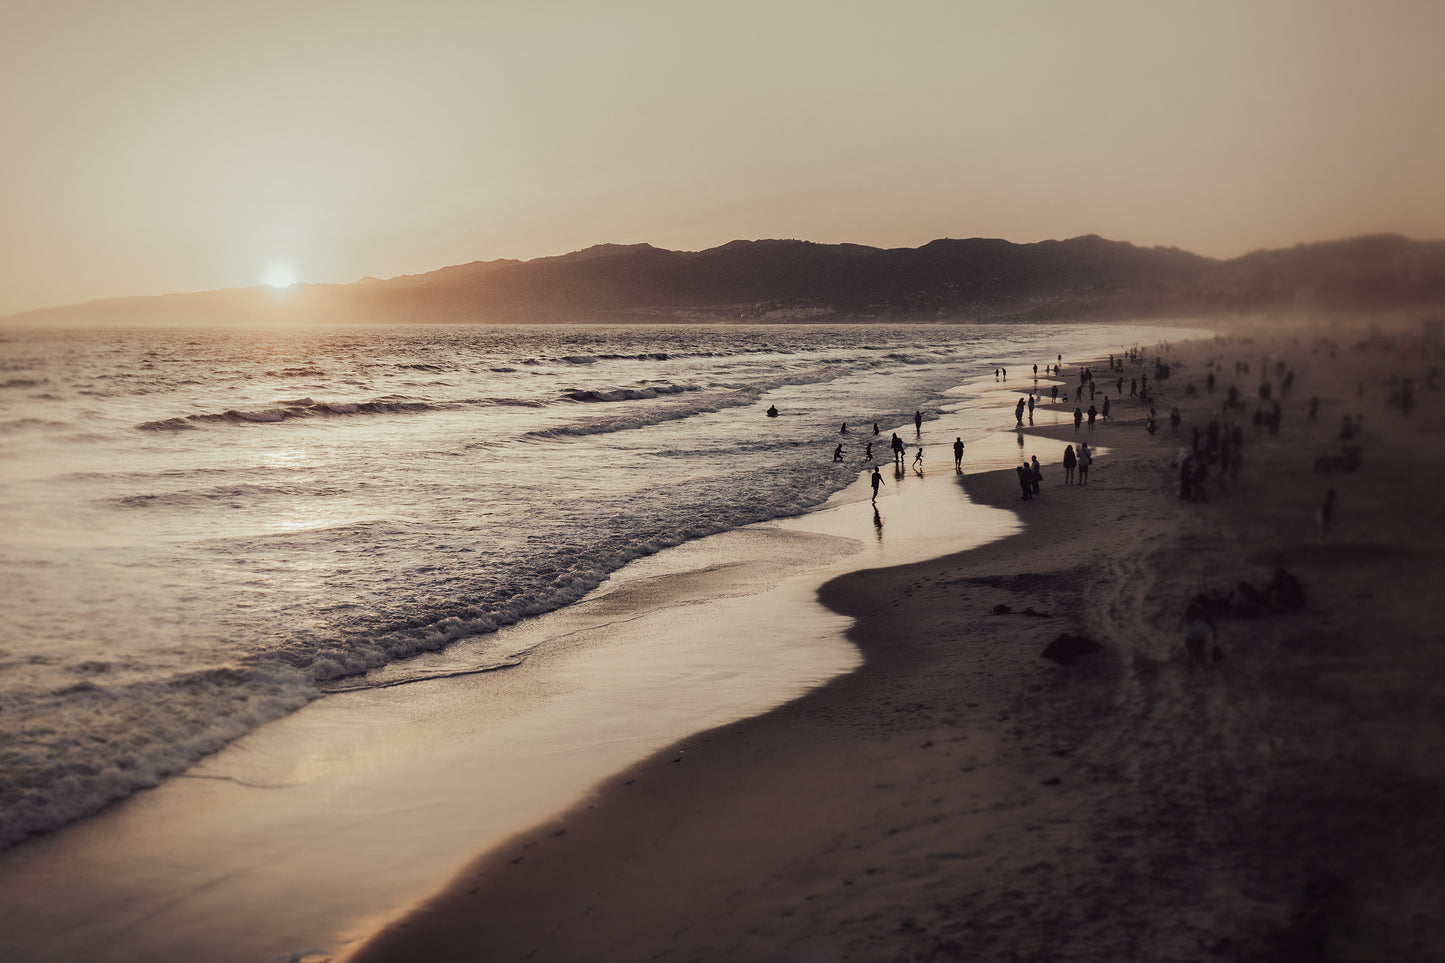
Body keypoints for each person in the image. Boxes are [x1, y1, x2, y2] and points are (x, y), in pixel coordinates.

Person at [1177, 598, 1218, 670]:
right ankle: (1205, 667)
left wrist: (1179, 627)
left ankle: (1190, 670)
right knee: (1201, 650)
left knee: (1190, 652)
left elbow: (1183, 618)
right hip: (1203, 630)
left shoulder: (1190, 607)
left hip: (1193, 629)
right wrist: (1215, 633)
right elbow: (1211, 622)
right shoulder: (1205, 610)